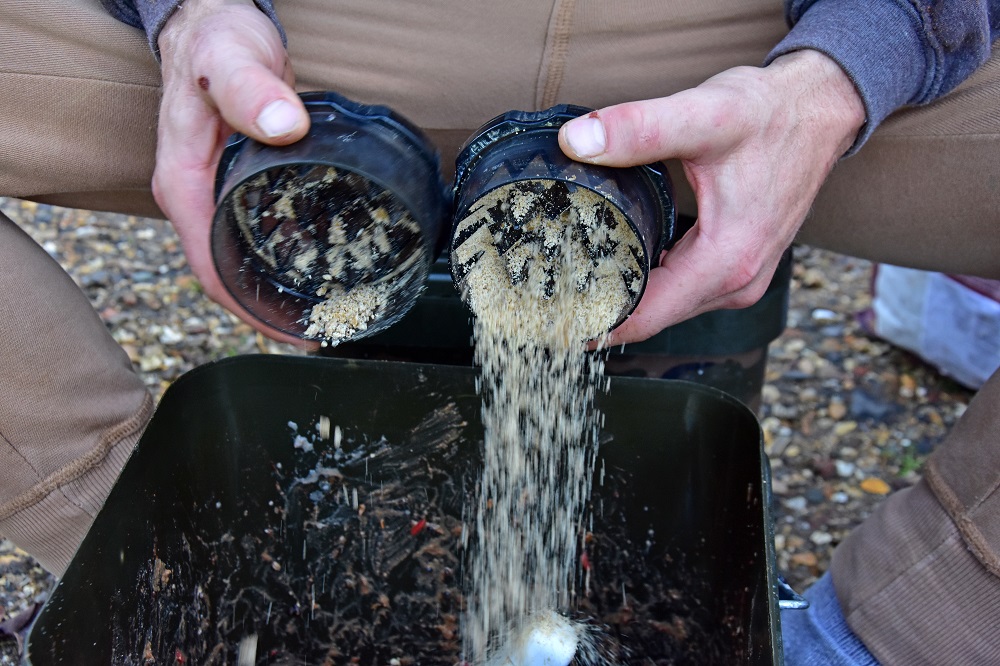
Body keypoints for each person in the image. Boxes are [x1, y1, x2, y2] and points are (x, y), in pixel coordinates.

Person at [0, 0, 997, 662]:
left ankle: (874, 634)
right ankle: (159, 551)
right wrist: (188, 14)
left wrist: (844, 74)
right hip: (305, 39)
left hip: (758, 44)